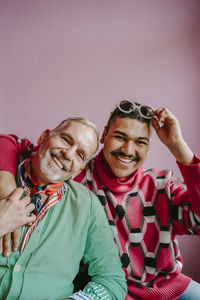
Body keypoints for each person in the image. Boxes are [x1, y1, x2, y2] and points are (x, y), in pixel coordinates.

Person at [0, 100, 200, 299]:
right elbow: (13, 145)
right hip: (109, 290)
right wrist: (7, 193)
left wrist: (177, 146)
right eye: (120, 137)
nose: (128, 150)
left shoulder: (161, 185)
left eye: (140, 142)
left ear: (148, 148)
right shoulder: (75, 173)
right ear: (104, 135)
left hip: (166, 288)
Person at [0, 117, 127, 300]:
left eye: (80, 155)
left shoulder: (88, 206)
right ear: (44, 137)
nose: (68, 154)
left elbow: (112, 281)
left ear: (79, 170)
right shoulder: (3, 175)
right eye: (66, 140)